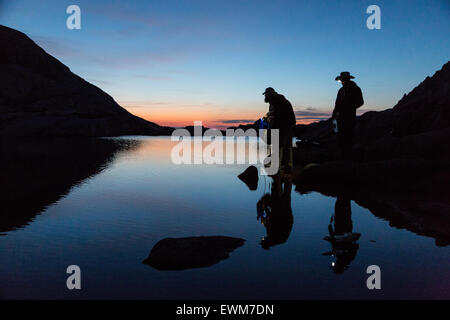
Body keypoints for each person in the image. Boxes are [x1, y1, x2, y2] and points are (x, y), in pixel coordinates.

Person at [262, 87, 296, 173]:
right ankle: (289, 166)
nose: (265, 96)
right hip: (290, 125)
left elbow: (277, 116)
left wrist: (269, 122)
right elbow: (275, 114)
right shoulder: (282, 100)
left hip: (282, 126)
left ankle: (278, 168)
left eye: (266, 94)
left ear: (269, 94)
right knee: (288, 146)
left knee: (279, 146)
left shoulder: (275, 101)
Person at [332, 72, 364, 160]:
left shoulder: (355, 89)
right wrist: (334, 115)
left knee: (348, 137)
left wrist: (350, 108)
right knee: (340, 137)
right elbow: (337, 104)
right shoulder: (340, 91)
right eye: (341, 80)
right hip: (340, 118)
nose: (342, 82)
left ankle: (348, 157)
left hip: (350, 117)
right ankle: (343, 156)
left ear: (347, 79)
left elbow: (360, 102)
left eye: (343, 80)